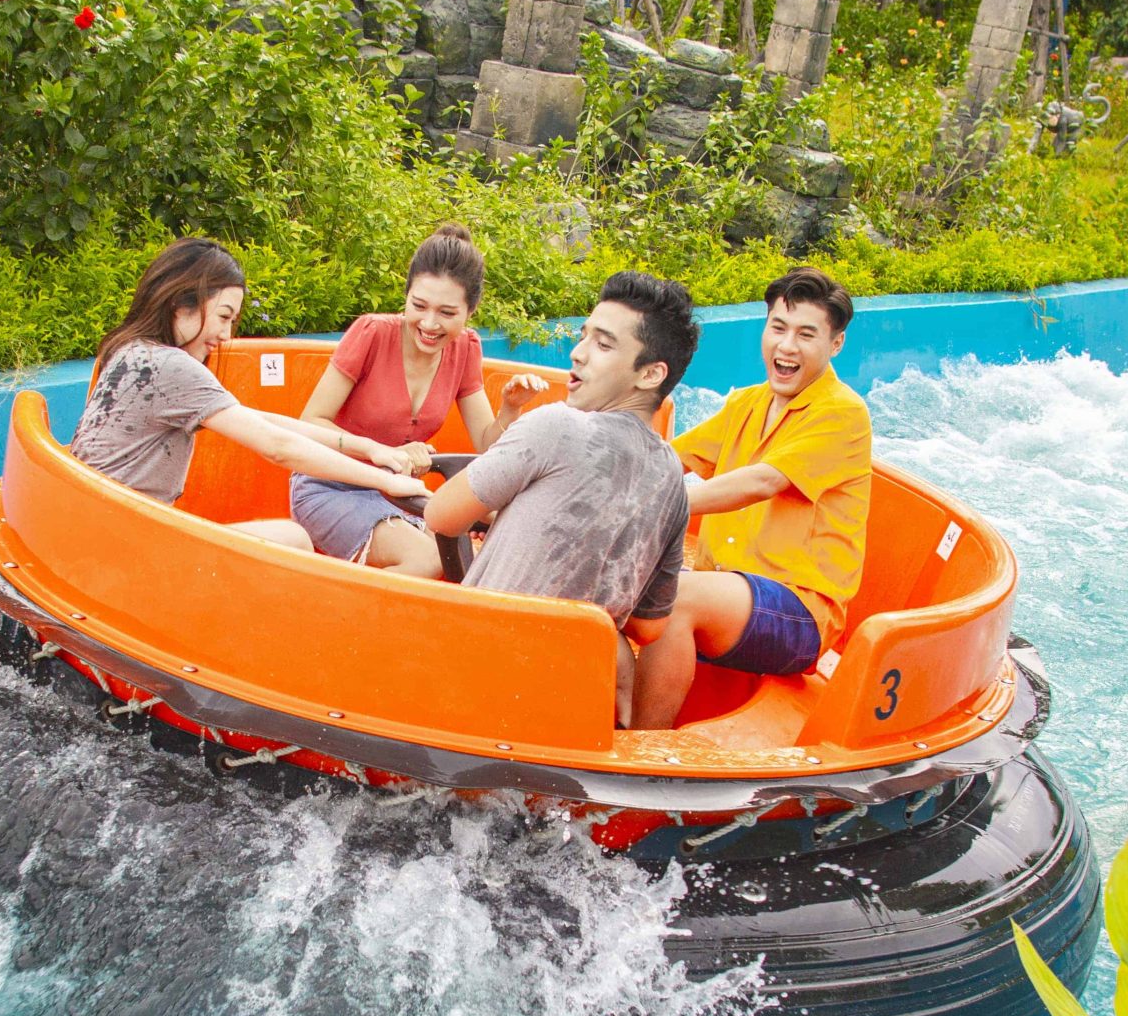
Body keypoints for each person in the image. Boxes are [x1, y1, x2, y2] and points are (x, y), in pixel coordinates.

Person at [425, 271, 697, 720]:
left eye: (603, 345)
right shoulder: (672, 480)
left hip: (481, 680)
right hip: (572, 702)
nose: (578, 353)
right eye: (584, 335)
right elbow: (650, 626)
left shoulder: (555, 425)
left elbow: (441, 515)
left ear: (651, 374)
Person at [629, 266, 870, 732]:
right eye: (778, 328)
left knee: (673, 599)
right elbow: (660, 461)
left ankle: (644, 750)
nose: (787, 346)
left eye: (806, 334)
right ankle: (613, 715)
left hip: (799, 613)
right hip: (731, 590)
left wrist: (657, 502)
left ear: (835, 344)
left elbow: (759, 482)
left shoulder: (843, 414)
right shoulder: (747, 404)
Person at [70, 238, 427, 547]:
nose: (226, 335)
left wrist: (369, 448)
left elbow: (261, 421)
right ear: (182, 304)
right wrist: (387, 482)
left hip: (100, 528)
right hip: (127, 543)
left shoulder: (129, 350)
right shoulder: (169, 366)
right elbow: (277, 447)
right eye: (224, 316)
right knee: (295, 540)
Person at [291, 224, 541, 577]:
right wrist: (384, 451)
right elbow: (309, 424)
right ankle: (343, 626)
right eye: (419, 306)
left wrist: (511, 408)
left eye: (447, 313)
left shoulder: (465, 348)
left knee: (491, 538)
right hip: (332, 485)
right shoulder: (372, 333)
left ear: (471, 311)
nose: (428, 323)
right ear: (406, 296)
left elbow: (487, 444)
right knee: (431, 559)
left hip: (400, 491)